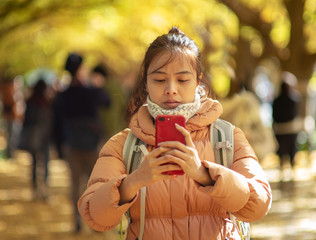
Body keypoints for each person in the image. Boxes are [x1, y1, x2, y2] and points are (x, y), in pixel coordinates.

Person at [78, 27, 272, 239]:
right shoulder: (123, 144)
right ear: (146, 82)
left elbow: (258, 205)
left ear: (198, 81)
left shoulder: (227, 137)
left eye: (182, 80)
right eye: (160, 80)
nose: (171, 89)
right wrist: (133, 182)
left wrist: (204, 175)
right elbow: (94, 216)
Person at [53, 53, 111, 232]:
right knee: (93, 184)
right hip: (92, 145)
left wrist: (59, 147)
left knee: (74, 184)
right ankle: (95, 221)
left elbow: (57, 122)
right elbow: (107, 103)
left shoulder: (63, 94)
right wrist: (97, 85)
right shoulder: (91, 90)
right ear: (80, 69)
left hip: (72, 144)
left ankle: (77, 222)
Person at [19, 79, 52, 200]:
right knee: (45, 163)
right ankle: (45, 189)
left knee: (34, 163)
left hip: (33, 136)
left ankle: (34, 189)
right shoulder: (47, 102)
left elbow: (26, 121)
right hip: (45, 137)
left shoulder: (30, 101)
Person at [272, 72, 302, 172]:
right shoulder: (294, 99)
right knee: (291, 152)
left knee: (281, 152)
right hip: (291, 130)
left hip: (280, 130)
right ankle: (292, 171)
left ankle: (282, 170)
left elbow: (274, 116)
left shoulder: (276, 101)